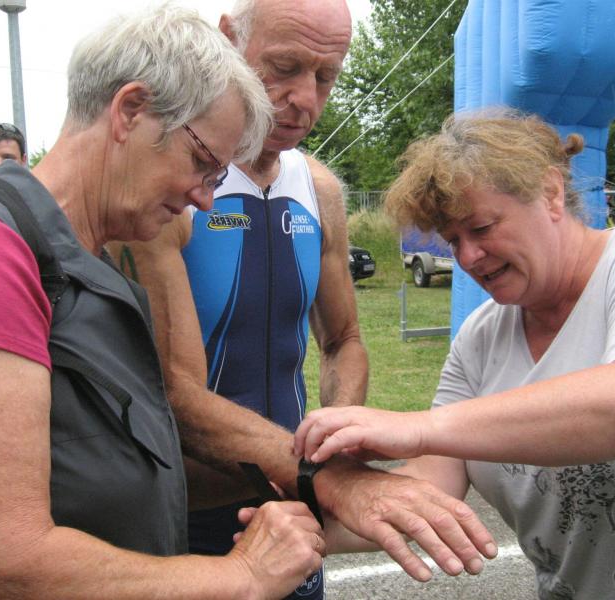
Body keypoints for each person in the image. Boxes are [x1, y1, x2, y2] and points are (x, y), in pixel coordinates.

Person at [0, 6, 329, 599]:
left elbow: (130, 478)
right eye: (202, 163)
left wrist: (314, 482)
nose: (205, 199)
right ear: (130, 110)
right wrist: (243, 575)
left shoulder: (92, 265)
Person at [109, 0, 495, 592]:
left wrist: (335, 446)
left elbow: (344, 341)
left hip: (297, 500)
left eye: (326, 76)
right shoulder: (172, 190)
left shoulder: (319, 190)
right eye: (284, 68)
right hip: (185, 512)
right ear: (229, 40)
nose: (305, 99)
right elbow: (173, 392)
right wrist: (317, 474)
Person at [295, 110, 615, 599]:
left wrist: (417, 427)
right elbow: (434, 482)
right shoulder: (480, 338)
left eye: (482, 227)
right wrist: (303, 527)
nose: (467, 257)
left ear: (551, 192)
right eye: (453, 240)